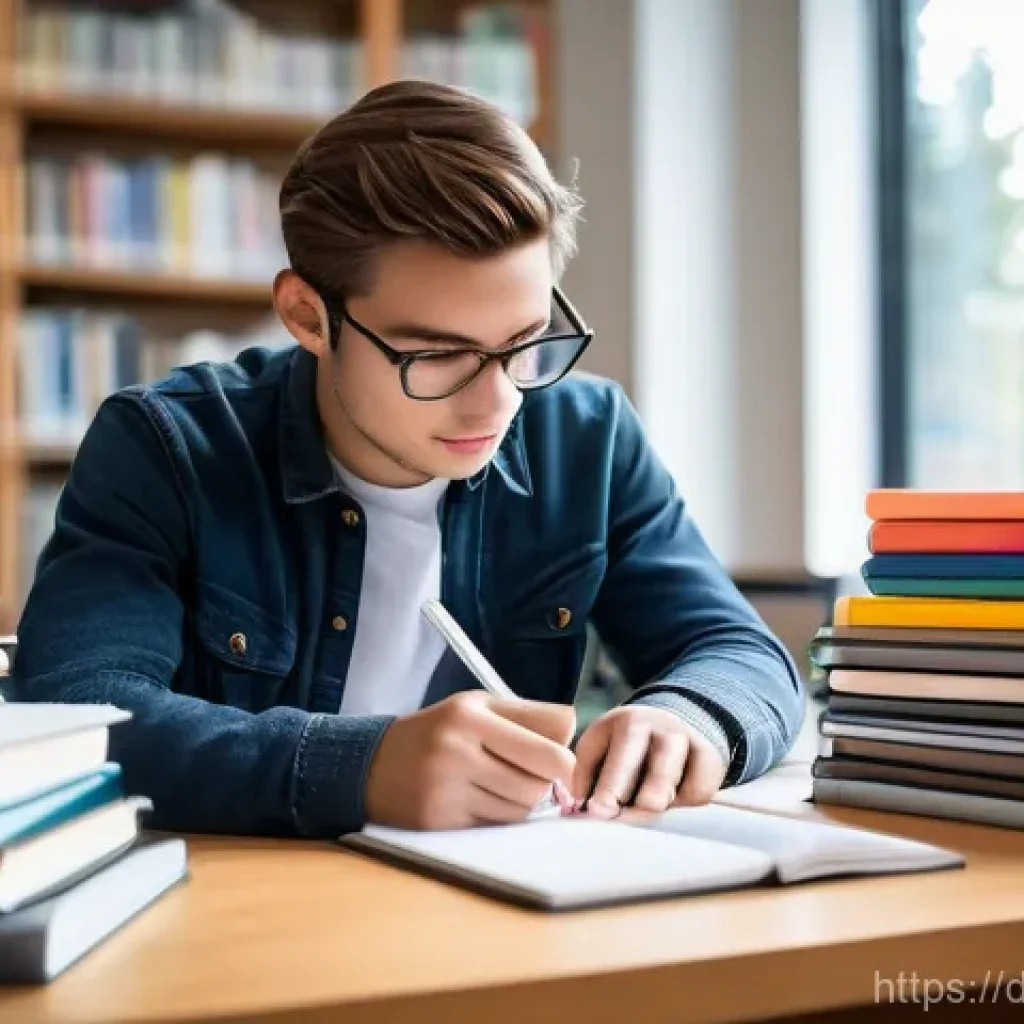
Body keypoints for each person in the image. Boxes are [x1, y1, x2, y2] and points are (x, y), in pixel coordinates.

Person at [10, 80, 804, 838]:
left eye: (525, 344)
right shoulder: (166, 447)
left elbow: (740, 656)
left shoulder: (586, 437)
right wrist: (356, 767)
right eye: (438, 355)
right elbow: (78, 714)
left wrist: (686, 719)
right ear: (308, 316)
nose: (497, 402)